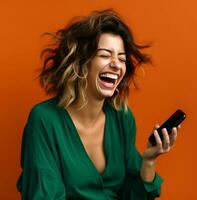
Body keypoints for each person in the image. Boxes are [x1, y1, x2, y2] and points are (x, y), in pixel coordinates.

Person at [17, 9, 179, 200]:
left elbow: (134, 195)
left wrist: (149, 160)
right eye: (105, 55)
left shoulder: (121, 117)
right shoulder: (44, 119)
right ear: (81, 62)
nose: (116, 65)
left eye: (122, 58)